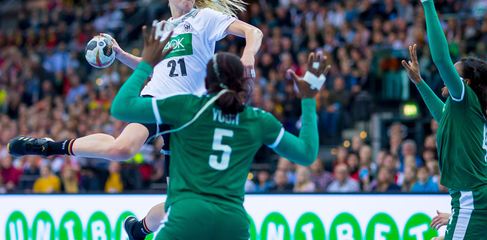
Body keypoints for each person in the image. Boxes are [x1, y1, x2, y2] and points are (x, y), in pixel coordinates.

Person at [8, 0, 263, 239]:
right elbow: (154, 68)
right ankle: (49, 147)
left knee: (177, 206)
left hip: (187, 116)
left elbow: (254, 32)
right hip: (154, 100)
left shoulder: (205, 18)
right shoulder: (161, 29)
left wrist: (248, 57)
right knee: (123, 148)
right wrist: (119, 54)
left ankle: (138, 229)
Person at [110, 24, 328, 240]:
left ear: (206, 82)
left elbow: (120, 107)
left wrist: (147, 64)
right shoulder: (258, 120)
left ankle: (139, 230)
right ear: (243, 82)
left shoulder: (185, 107)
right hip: (233, 224)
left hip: (187, 217)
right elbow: (307, 154)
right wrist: (308, 100)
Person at [401, 0, 487, 239]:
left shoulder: (464, 96)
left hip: (474, 199)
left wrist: (427, 3)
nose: (446, 77)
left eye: (453, 75)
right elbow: (439, 114)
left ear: (465, 82)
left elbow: (441, 58)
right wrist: (420, 82)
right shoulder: (463, 109)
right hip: (481, 197)